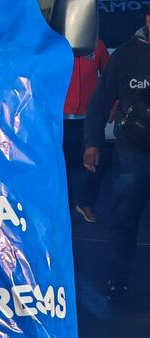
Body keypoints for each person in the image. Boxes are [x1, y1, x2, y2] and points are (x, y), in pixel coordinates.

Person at [84, 14, 150, 302]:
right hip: (131, 152)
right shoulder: (125, 55)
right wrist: (92, 142)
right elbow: (100, 101)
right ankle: (117, 280)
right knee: (124, 220)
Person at [63, 36, 109, 222]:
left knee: (94, 163)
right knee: (62, 164)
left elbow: (110, 77)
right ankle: (65, 205)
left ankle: (86, 203)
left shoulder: (97, 44)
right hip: (60, 118)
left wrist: (113, 106)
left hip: (89, 118)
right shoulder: (56, 43)